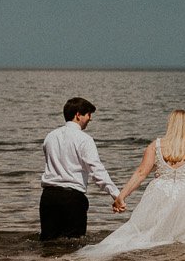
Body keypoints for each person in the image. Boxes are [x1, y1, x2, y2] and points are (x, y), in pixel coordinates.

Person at [75, 109, 185, 261]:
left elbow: (141, 173)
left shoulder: (157, 146)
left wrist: (122, 196)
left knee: (151, 236)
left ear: (170, 124)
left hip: (161, 194)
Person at [39, 96, 124, 241]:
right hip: (72, 198)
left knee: (47, 243)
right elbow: (97, 171)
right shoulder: (84, 139)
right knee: (75, 245)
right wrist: (117, 195)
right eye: (88, 114)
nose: (90, 119)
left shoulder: (50, 137)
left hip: (48, 197)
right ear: (78, 115)